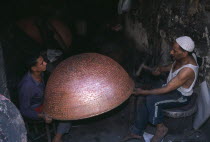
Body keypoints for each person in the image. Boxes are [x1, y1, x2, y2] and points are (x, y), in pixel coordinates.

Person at [122, 36, 199, 142]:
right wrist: (161, 69)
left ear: (185, 53)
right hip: (172, 88)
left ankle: (161, 128)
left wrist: (144, 92)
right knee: (143, 98)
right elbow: (173, 66)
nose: (171, 52)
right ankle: (136, 132)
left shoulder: (187, 71)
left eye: (174, 51)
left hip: (181, 96)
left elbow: (167, 89)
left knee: (151, 100)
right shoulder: (183, 57)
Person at [18, 52, 71, 142]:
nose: (45, 63)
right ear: (34, 68)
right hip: (34, 110)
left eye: (44, 61)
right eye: (42, 63)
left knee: (68, 101)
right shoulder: (26, 86)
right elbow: (24, 110)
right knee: (66, 112)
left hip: (43, 101)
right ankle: (57, 138)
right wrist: (42, 116)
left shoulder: (40, 73)